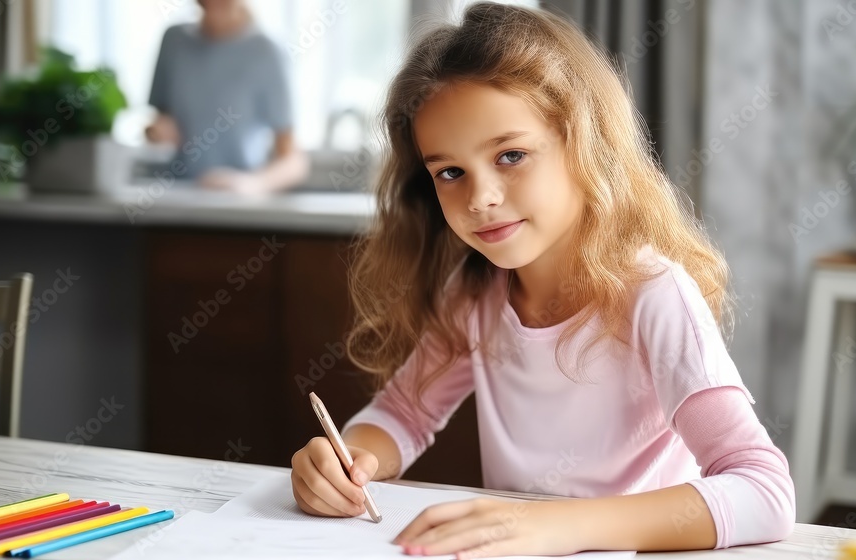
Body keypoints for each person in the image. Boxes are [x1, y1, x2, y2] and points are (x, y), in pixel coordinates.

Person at [290, 2, 795, 557]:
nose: (479, 197)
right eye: (450, 172)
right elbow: (405, 413)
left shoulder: (655, 295)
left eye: (511, 155)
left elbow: (763, 490)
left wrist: (554, 527)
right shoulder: (476, 294)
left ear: (587, 146)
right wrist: (347, 460)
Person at [145, 0, 308, 195]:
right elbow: (159, 121)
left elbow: (293, 161)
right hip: (174, 195)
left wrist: (253, 183)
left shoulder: (265, 52)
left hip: (234, 202)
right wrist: (157, 131)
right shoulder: (174, 40)